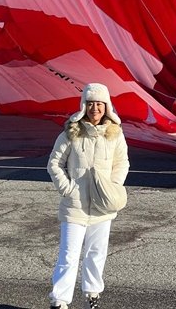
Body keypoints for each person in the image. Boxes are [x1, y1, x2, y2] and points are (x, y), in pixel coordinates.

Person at [46, 83, 130, 309]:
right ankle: (60, 300)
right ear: (84, 105)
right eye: (91, 103)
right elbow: (55, 163)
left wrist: (111, 187)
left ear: (107, 106)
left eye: (100, 104)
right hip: (75, 205)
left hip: (102, 206)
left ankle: (92, 293)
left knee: (96, 252)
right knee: (69, 254)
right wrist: (67, 189)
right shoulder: (71, 132)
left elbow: (122, 163)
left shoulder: (115, 134)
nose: (95, 108)